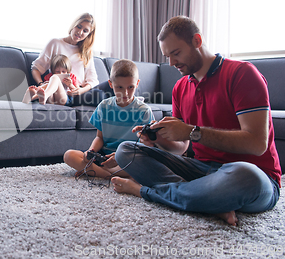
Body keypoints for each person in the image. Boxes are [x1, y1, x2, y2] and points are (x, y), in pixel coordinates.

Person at [110, 16, 282, 226]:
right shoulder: (180, 87)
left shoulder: (242, 74)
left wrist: (192, 131)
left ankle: (146, 191)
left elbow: (257, 144)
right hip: (200, 170)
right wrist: (158, 140)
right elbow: (181, 148)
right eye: (167, 56)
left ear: (197, 41)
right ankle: (206, 200)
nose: (171, 63)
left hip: (250, 176)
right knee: (126, 151)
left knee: (247, 176)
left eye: (176, 53)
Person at [64, 59, 154, 179]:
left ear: (137, 83)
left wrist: (119, 157)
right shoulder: (104, 106)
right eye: (120, 87)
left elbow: (147, 146)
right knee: (69, 155)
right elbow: (99, 137)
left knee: (146, 166)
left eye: (130, 87)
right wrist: (91, 151)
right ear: (111, 84)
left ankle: (95, 172)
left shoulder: (144, 111)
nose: (125, 93)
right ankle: (107, 175)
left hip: (128, 159)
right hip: (104, 157)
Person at [31, 13, 103, 106]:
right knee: (55, 78)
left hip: (74, 93)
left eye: (85, 31)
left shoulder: (86, 52)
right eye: (79, 27)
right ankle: (41, 95)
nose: (80, 32)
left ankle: (40, 95)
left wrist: (80, 91)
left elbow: (93, 80)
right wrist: (41, 84)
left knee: (100, 94)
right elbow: (36, 68)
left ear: (89, 34)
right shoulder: (55, 43)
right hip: (54, 89)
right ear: (73, 25)